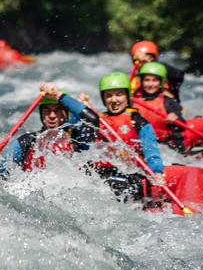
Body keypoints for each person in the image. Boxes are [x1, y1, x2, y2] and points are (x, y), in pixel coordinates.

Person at [43, 73, 165, 204]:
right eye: (109, 95)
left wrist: (156, 171)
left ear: (127, 96)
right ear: (103, 98)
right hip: (101, 175)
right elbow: (76, 125)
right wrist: (58, 95)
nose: (114, 100)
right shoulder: (98, 120)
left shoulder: (138, 122)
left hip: (130, 177)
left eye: (119, 94)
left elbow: (151, 151)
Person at [0, 91, 94, 177]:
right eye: (47, 110)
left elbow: (92, 120)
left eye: (57, 110)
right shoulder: (27, 141)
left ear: (66, 114)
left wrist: (76, 104)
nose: (52, 115)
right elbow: (2, 171)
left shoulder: (78, 138)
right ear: (41, 114)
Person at [131, 62, 185, 152]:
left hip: (165, 147)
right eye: (147, 80)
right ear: (142, 81)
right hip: (141, 145)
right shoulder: (133, 101)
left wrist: (175, 119)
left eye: (154, 80)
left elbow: (182, 125)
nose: (150, 84)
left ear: (161, 82)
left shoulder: (168, 101)